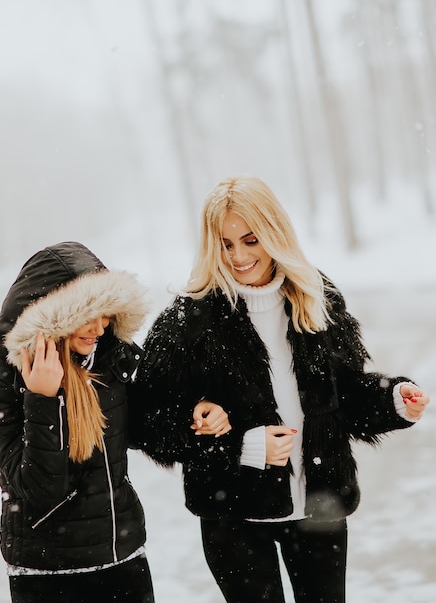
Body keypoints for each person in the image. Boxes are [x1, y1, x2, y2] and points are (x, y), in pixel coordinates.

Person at [130, 177, 430, 603]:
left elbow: (343, 394)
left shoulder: (316, 296)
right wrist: (242, 445)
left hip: (319, 509)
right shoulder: (188, 319)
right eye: (226, 243)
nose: (238, 255)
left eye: (250, 239)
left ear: (274, 231)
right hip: (232, 518)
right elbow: (146, 421)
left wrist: (393, 399)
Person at [0, 241, 229, 603]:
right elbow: (43, 490)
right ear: (52, 314)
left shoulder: (106, 360)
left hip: (123, 558)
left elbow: (142, 429)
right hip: (47, 572)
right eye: (87, 315)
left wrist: (193, 416)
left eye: (106, 314)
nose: (100, 327)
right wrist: (43, 398)